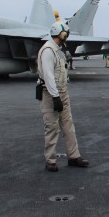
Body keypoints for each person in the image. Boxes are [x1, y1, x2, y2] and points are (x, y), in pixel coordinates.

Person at [37, 22, 89, 172]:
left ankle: (74, 156)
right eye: (66, 34)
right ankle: (50, 160)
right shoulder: (48, 50)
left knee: (68, 125)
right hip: (50, 93)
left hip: (62, 92)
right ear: (62, 34)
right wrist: (55, 97)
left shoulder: (58, 50)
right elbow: (48, 76)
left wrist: (61, 94)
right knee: (52, 127)